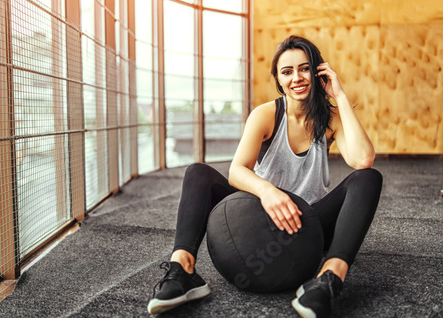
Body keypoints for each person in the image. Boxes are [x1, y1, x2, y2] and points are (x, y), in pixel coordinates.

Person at [147, 35, 383, 317]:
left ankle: (328, 279)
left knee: (369, 178)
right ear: (278, 79)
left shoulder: (329, 119)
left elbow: (363, 159)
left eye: (305, 68)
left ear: (319, 72)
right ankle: (181, 269)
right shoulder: (266, 115)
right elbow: (236, 171)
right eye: (287, 72)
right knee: (198, 173)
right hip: (258, 213)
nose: (297, 77)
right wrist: (268, 191)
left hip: (310, 221)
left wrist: (340, 96)